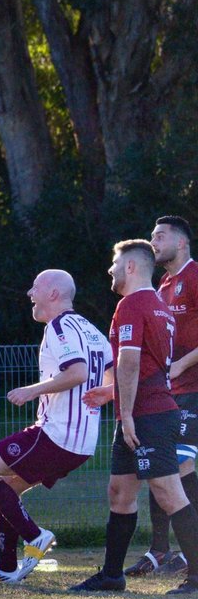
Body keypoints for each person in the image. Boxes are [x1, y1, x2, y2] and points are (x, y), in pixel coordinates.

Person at [0, 270, 108, 583]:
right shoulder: (92, 331)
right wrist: (105, 395)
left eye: (35, 288)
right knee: (6, 491)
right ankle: (6, 569)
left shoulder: (59, 326)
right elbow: (111, 375)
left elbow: (78, 372)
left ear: (53, 294)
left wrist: (32, 391)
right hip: (83, 442)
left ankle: (35, 536)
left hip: (57, 435)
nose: (30, 294)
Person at [74, 240, 198, 594]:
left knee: (169, 493)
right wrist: (115, 398)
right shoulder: (159, 305)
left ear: (130, 267)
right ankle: (112, 576)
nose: (110, 270)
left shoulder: (132, 303)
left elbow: (129, 363)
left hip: (148, 416)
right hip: (145, 412)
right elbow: (148, 367)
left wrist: (126, 414)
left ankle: (196, 577)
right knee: (120, 492)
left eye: (115, 264)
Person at [126, 215, 198, 577]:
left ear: (181, 242)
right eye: (152, 236)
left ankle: (189, 551)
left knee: (179, 466)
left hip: (193, 389)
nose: (153, 242)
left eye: (160, 236)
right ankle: (160, 551)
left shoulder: (195, 276)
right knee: (162, 466)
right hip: (171, 392)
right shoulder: (163, 284)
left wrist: (180, 365)